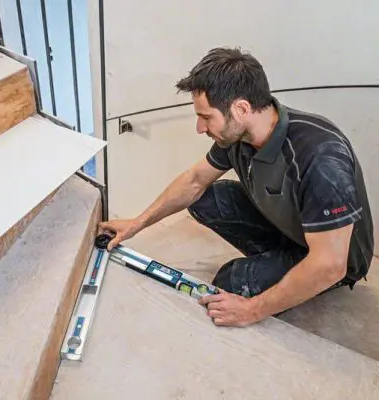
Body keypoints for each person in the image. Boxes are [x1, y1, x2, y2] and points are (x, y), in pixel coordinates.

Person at [99, 47, 374, 327]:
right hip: (293, 230)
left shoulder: (320, 157)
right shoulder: (238, 136)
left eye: (206, 117)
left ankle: (288, 267)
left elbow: (331, 264)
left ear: (241, 109)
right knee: (207, 198)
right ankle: (279, 260)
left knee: (231, 282)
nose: (200, 128)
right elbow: (194, 180)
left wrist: (251, 310)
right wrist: (137, 223)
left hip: (335, 258)